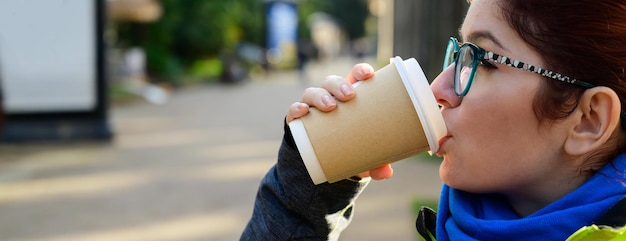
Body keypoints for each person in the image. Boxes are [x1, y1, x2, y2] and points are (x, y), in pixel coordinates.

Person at [240, 0, 626, 240]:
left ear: (588, 120)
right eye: (459, 53)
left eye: (485, 61)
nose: (439, 87)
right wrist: (308, 189)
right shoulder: (459, 225)